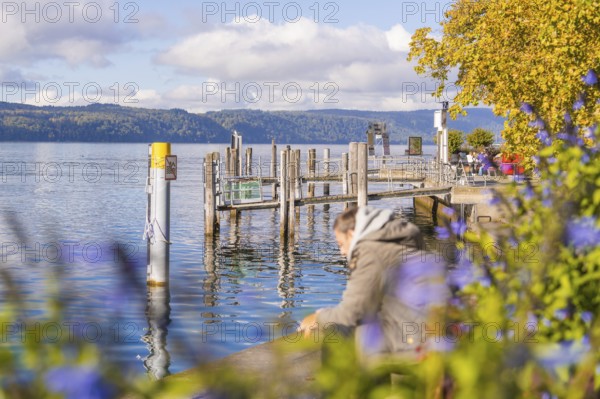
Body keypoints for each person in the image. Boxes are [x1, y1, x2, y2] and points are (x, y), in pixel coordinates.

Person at [299, 206, 447, 363]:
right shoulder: (406, 239)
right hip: (440, 336)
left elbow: (351, 313)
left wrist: (317, 317)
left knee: (337, 328)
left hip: (416, 345)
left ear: (351, 235)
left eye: (341, 244)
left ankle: (339, 386)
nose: (341, 252)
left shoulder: (370, 251)